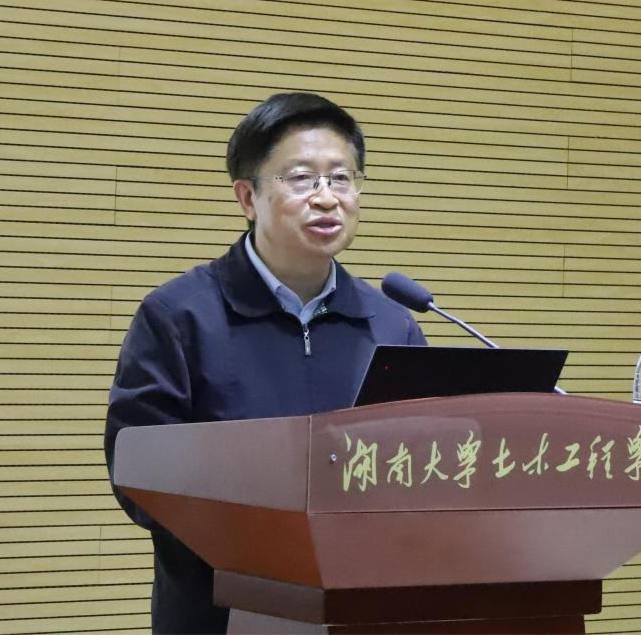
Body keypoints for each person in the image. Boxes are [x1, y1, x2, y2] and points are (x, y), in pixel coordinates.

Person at [105, 92, 426, 634]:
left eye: (342, 178)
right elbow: (137, 474)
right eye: (301, 178)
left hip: (360, 611)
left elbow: (424, 467)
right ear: (248, 197)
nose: (326, 198)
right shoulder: (179, 317)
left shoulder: (392, 326)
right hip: (222, 613)